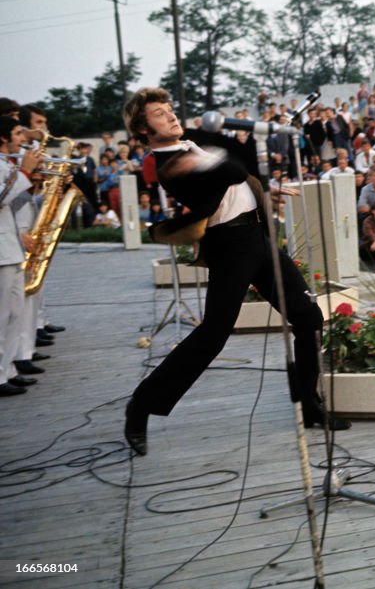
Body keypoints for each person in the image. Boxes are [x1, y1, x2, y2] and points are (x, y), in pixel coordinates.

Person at [121, 87, 348, 457]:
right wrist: (217, 162)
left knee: (308, 317)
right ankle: (142, 404)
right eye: (160, 114)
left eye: (170, 108)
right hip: (229, 246)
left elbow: (243, 164)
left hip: (257, 235)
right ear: (144, 131)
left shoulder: (194, 144)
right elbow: (233, 169)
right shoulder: (166, 168)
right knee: (213, 335)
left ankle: (309, 406)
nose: (171, 116)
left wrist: (264, 189)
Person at [0, 118, 43, 396]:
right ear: (3, 138)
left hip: (11, 248)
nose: (22, 138)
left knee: (14, 313)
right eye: (17, 133)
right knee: (2, 315)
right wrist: (25, 173)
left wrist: (34, 182)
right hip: (1, 252)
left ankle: (8, 369)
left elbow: (14, 204)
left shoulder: (7, 164)